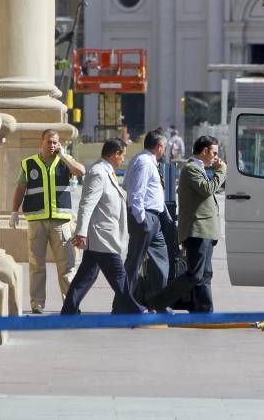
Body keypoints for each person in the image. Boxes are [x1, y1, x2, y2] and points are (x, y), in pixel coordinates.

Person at [61, 138, 146, 315]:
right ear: (115, 154)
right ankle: (136, 311)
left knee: (86, 276)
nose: (123, 159)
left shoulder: (107, 172)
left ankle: (68, 311)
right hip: (102, 236)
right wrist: (81, 232)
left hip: (102, 236)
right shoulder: (98, 173)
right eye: (122, 155)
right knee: (119, 277)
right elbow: (86, 204)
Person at [148, 135, 227, 314]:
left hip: (206, 231)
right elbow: (207, 189)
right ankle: (157, 302)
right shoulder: (191, 169)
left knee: (205, 275)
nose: (216, 157)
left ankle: (203, 312)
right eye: (214, 153)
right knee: (194, 274)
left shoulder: (200, 169)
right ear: (205, 151)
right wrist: (221, 171)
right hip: (197, 230)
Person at [10, 129, 86, 314]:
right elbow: (20, 188)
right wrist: (14, 211)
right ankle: (37, 304)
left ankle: (71, 304)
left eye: (55, 142)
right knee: (36, 264)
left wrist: (64, 155)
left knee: (67, 265)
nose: (52, 145)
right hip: (37, 220)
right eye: (49, 142)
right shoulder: (29, 164)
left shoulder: (64, 162)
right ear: (41, 143)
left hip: (61, 222)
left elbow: (81, 171)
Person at [113, 130, 170, 312]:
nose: (165, 150)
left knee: (161, 261)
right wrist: (142, 220)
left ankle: (159, 303)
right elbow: (135, 192)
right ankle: (122, 306)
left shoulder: (147, 162)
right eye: (164, 147)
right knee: (134, 264)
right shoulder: (144, 162)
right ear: (159, 147)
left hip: (154, 218)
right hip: (144, 217)